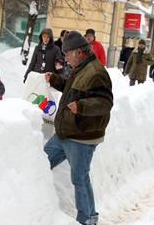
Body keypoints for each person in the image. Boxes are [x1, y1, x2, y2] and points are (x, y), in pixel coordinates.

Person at [44, 31, 113, 225]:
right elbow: (72, 90)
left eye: (67, 54)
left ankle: (87, 219)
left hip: (81, 137)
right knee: (42, 161)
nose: (65, 58)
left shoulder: (96, 72)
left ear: (79, 52)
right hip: (65, 134)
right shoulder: (80, 68)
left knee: (79, 178)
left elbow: (105, 102)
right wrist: (56, 80)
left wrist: (81, 107)